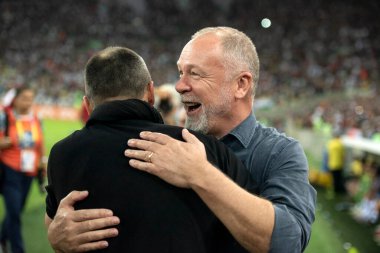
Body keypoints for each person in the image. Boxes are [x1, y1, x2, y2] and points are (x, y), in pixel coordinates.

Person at [47, 27, 317, 253]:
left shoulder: (279, 153)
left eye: (195, 73)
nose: (179, 86)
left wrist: (200, 174)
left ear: (241, 85)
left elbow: (288, 242)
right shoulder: (159, 141)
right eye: (180, 73)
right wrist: (57, 236)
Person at [0, 86, 45, 253]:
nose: (28, 102)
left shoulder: (36, 119)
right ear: (15, 99)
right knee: (14, 213)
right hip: (9, 170)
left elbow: (40, 144)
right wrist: (13, 140)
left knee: (16, 211)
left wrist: (42, 163)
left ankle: (2, 239)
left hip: (29, 172)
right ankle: (18, 250)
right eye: (24, 98)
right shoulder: (5, 117)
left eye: (31, 98)